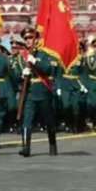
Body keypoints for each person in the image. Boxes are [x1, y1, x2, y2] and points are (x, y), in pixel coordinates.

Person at [18, 27, 59, 157]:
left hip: (43, 90)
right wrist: (21, 75)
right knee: (27, 120)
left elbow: (49, 69)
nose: (28, 40)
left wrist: (35, 62)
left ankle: (52, 145)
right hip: (29, 92)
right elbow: (14, 74)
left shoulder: (45, 53)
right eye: (26, 38)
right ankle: (26, 147)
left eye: (30, 38)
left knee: (49, 120)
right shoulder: (22, 56)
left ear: (36, 39)